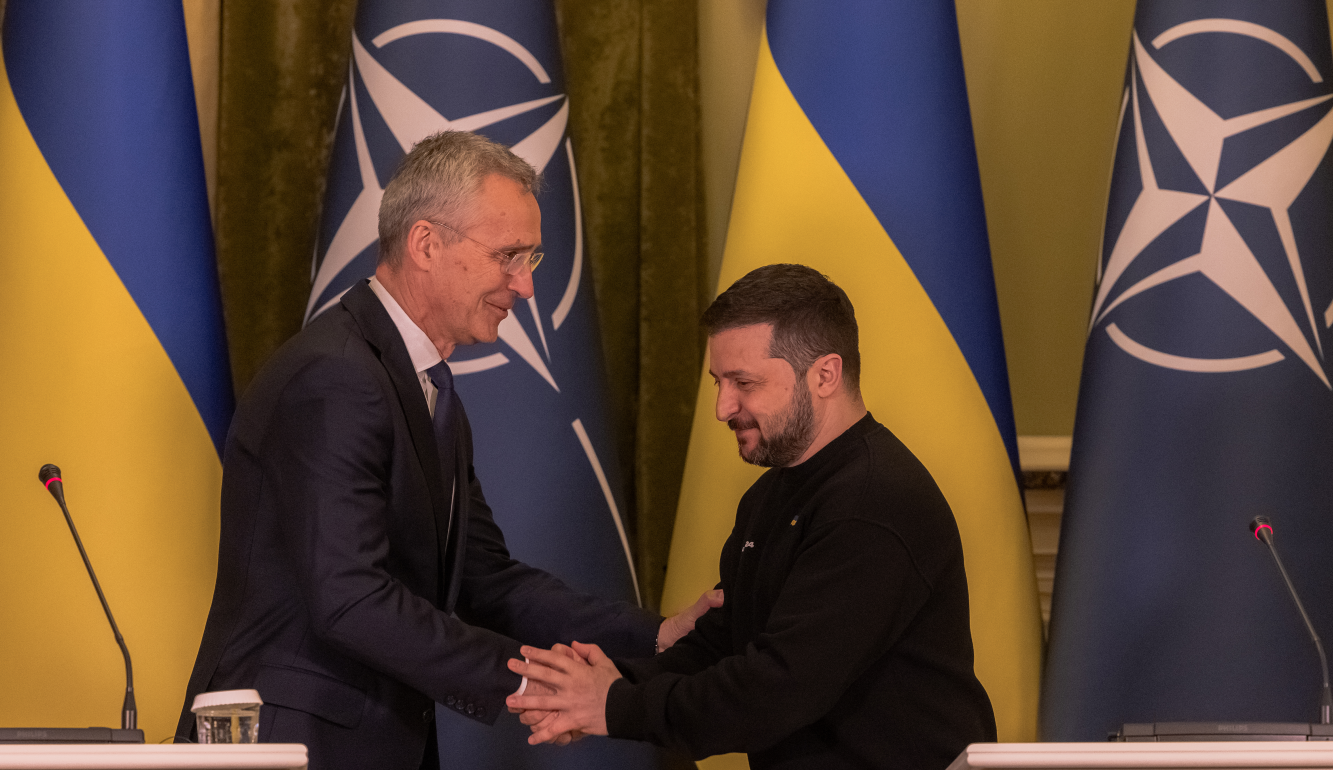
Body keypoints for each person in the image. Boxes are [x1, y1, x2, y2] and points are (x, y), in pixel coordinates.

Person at [177, 130, 719, 769]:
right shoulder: (338, 378)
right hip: (291, 744)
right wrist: (534, 687)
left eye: (533, 260)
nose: (525, 287)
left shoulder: (425, 386)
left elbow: (485, 580)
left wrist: (654, 638)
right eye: (509, 256)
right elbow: (349, 596)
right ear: (426, 243)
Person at [507, 264, 996, 770]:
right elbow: (725, 645)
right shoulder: (770, 495)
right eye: (719, 382)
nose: (722, 407)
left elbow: (777, 688)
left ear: (824, 374)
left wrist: (613, 705)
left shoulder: (874, 502)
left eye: (744, 382)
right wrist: (601, 684)